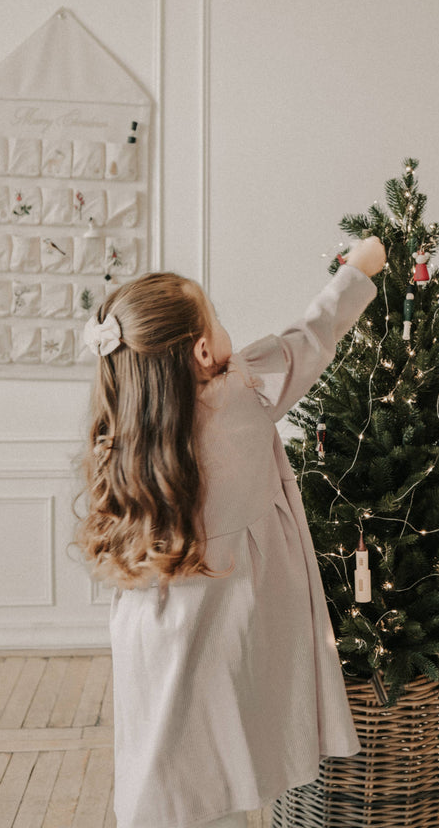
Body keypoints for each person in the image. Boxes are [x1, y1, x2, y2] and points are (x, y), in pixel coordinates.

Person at [74, 236, 386, 828]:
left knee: (170, 768)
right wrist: (358, 268)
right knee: (223, 767)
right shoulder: (238, 400)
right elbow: (306, 342)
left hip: (155, 636)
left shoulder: (123, 429)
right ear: (199, 351)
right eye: (218, 322)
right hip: (229, 626)